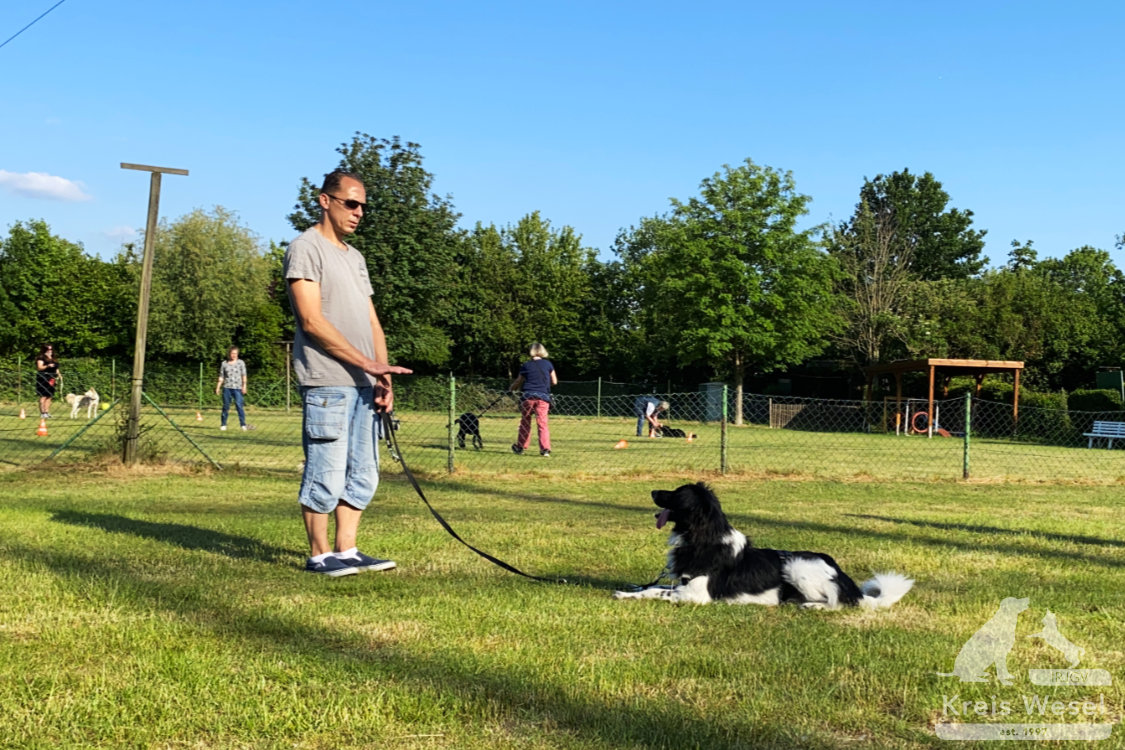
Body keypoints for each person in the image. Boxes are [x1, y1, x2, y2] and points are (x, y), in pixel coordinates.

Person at [283, 169, 413, 577]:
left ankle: (348, 550)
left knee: (364, 470)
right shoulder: (305, 247)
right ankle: (320, 554)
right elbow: (311, 320)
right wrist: (365, 362)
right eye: (350, 203)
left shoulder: (355, 258)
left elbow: (372, 321)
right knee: (326, 467)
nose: (358, 213)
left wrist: (382, 374)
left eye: (363, 207)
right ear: (325, 201)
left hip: (363, 381)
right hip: (328, 380)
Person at [509, 342, 557, 457]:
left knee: (525, 422)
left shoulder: (526, 365)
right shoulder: (548, 364)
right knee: (542, 424)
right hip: (543, 397)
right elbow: (554, 381)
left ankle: (521, 447)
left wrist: (511, 389)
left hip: (528, 396)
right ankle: (545, 449)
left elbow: (518, 381)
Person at [215, 346, 249, 431]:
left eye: (235, 353)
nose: (234, 355)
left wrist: (244, 386)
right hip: (227, 388)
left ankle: (243, 424)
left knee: (239, 406)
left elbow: (244, 375)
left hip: (237, 388)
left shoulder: (241, 363)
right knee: (226, 406)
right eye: (232, 353)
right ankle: (223, 424)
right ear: (229, 354)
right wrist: (218, 387)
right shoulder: (224, 364)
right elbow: (221, 376)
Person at [34, 344, 60, 419]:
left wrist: (59, 375)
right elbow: (39, 368)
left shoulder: (53, 358)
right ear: (44, 350)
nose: (50, 351)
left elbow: (56, 368)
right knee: (43, 396)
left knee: (49, 396)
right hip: (43, 378)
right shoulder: (41, 357)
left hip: (52, 379)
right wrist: (47, 366)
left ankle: (47, 412)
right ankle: (42, 412)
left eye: (51, 349)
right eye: (48, 349)